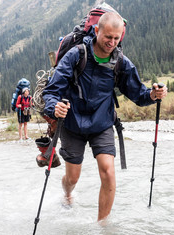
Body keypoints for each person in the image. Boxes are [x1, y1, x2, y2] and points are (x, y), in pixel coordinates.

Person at [42, 12, 167, 221]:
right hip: (72, 123)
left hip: (102, 123)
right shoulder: (76, 55)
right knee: (72, 178)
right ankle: (67, 193)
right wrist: (55, 107)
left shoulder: (121, 62)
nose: (112, 43)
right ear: (97, 31)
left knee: (108, 172)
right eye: (108, 37)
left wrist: (154, 95)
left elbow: (138, 93)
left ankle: (103, 227)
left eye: (116, 38)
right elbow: (52, 91)